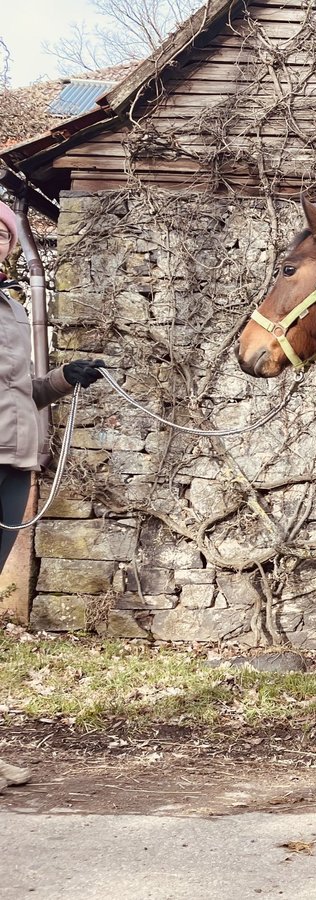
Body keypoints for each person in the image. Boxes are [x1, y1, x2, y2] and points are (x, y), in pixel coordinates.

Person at [0, 199, 105, 793]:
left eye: (3, 234)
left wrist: (65, 379)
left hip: (14, 466)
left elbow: (20, 393)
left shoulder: (13, 308)